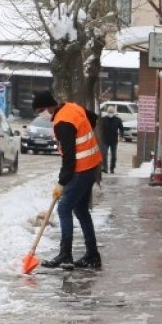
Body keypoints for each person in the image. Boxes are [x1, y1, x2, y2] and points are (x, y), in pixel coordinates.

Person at [34, 90, 102, 270]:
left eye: (40, 111)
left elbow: (69, 158)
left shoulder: (62, 123)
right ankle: (92, 255)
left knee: (64, 208)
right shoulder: (71, 107)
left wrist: (61, 182)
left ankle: (65, 255)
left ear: (49, 107)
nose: (40, 115)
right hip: (91, 165)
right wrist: (84, 137)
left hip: (81, 169)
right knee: (80, 210)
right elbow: (93, 118)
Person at [98, 105, 125, 174]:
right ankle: (105, 168)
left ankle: (112, 168)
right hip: (105, 140)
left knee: (113, 156)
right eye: (109, 112)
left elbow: (121, 128)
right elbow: (100, 128)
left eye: (111, 112)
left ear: (114, 112)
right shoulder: (103, 119)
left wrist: (121, 136)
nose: (110, 113)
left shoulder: (117, 120)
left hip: (114, 140)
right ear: (107, 112)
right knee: (104, 154)